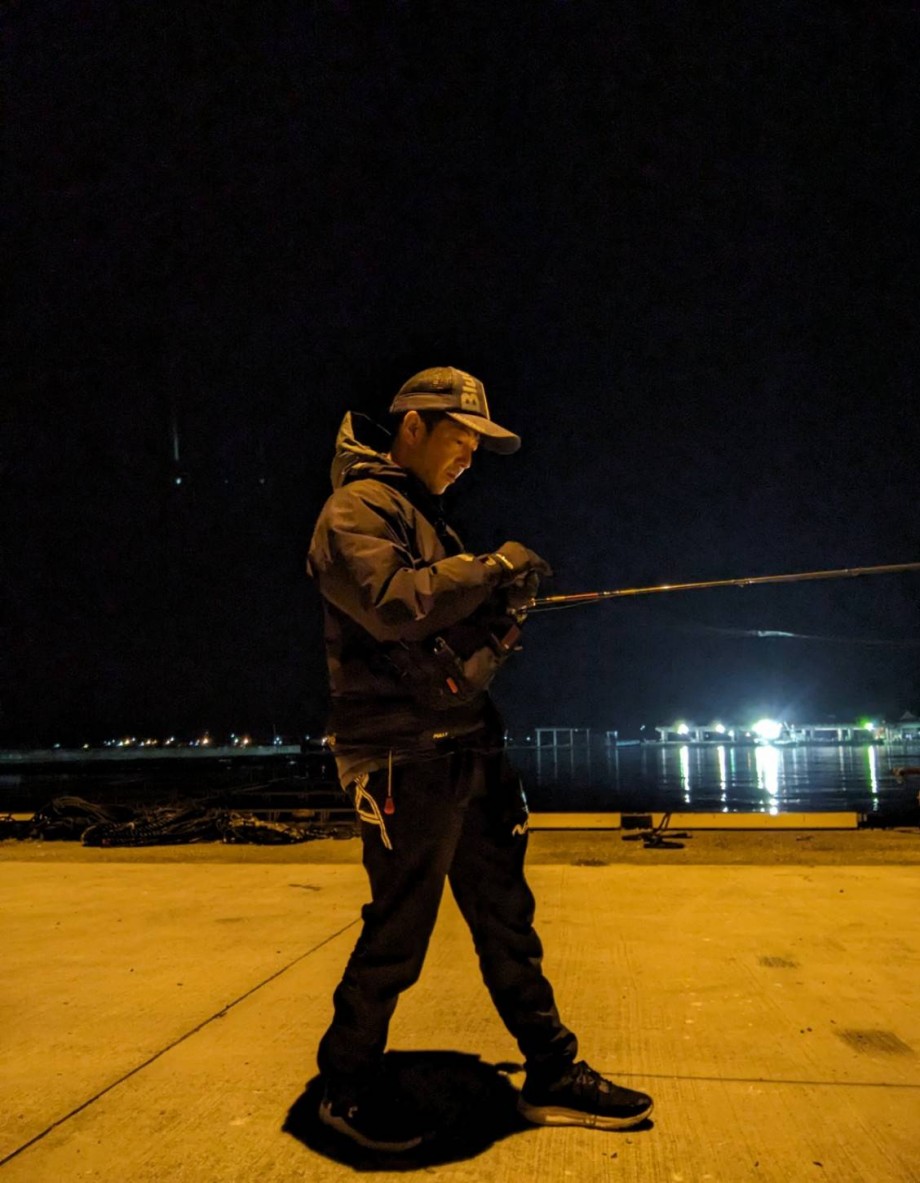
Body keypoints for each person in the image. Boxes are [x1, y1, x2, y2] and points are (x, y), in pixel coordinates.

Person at [306, 365, 653, 1151]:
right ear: (414, 426)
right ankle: (345, 1085)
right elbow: (394, 602)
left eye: (476, 445)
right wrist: (492, 569)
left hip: (469, 747)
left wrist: (501, 610)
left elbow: (443, 622)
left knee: (507, 920)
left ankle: (552, 1070)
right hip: (400, 759)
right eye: (460, 437)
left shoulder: (427, 519)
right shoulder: (353, 509)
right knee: (398, 933)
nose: (468, 456)